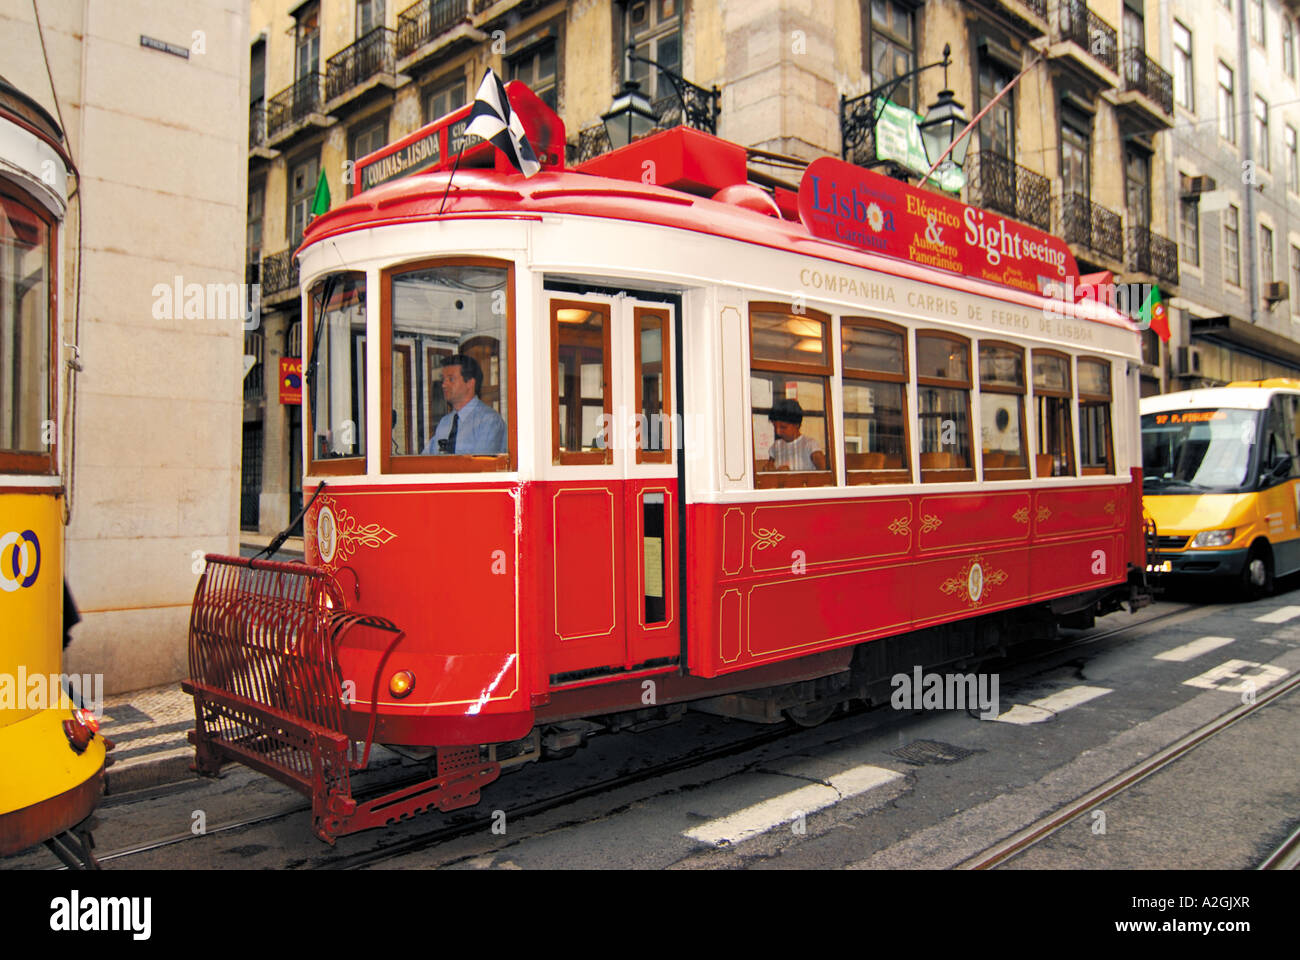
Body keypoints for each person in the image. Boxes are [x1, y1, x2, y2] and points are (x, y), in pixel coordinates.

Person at [421, 353, 507, 455]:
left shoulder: (489, 421)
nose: (443, 385)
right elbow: (425, 460)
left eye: (451, 379)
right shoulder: (445, 423)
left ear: (470, 383)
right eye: (443, 380)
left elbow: (481, 467)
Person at [763, 397, 826, 471]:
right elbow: (770, 469)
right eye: (774, 426)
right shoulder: (776, 446)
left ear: (796, 424)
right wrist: (769, 469)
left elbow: (825, 474)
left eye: (783, 427)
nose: (778, 432)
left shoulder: (810, 445)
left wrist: (791, 475)